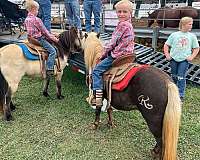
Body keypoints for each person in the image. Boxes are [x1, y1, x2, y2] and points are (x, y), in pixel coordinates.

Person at [91, 0, 135, 106]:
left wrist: (103, 53)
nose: (121, 14)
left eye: (124, 12)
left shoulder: (122, 25)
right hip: (129, 53)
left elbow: (112, 42)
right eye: (119, 12)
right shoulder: (129, 24)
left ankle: (98, 96)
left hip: (119, 55)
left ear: (130, 13)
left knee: (96, 71)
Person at [164, 17, 199, 101]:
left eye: (191, 24)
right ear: (183, 24)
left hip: (184, 60)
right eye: (189, 24)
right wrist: (167, 55)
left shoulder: (192, 36)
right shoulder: (174, 35)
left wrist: (192, 57)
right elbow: (166, 45)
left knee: (181, 76)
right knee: (174, 76)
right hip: (174, 59)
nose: (191, 26)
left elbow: (196, 48)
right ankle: (173, 92)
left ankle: (181, 94)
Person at [24, 0, 59, 76]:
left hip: (31, 39)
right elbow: (46, 33)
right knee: (53, 51)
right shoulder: (37, 20)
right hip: (39, 39)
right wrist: (56, 40)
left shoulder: (26, 19)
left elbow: (27, 29)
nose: (38, 12)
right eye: (37, 10)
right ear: (33, 9)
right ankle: (49, 68)